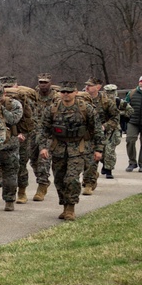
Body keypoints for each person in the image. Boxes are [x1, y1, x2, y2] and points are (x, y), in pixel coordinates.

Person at [36, 81, 104, 221]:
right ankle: (64, 204)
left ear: (76, 92)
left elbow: (97, 129)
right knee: (59, 180)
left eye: (69, 92)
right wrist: (43, 147)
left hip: (78, 149)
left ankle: (70, 207)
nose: (66, 94)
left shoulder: (86, 108)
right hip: (59, 148)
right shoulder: (52, 109)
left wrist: (98, 149)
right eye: (63, 92)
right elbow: (43, 129)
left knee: (71, 179)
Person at [0, 83, 23, 211]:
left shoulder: (14, 104)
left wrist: (0, 109)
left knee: (10, 173)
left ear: (4, 94)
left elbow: (13, 119)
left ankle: (9, 200)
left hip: (10, 143)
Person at [80, 77, 119, 195]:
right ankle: (90, 176)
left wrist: (105, 126)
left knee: (92, 159)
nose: (87, 87)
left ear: (98, 87)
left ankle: (89, 184)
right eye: (86, 85)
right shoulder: (81, 99)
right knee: (82, 159)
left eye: (90, 85)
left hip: (99, 135)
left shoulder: (106, 101)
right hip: (83, 133)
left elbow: (115, 118)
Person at [27, 74, 55, 202]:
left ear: (50, 83)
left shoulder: (56, 97)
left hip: (48, 132)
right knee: (33, 160)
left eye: (45, 82)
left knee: (44, 159)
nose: (43, 84)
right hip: (33, 131)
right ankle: (42, 179)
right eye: (40, 82)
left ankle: (42, 185)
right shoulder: (32, 96)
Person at [102, 83, 126, 177]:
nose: (110, 93)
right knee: (102, 150)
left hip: (114, 129)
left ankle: (109, 170)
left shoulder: (119, 102)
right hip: (103, 128)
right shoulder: (101, 102)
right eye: (108, 91)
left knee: (109, 149)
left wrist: (119, 113)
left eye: (111, 91)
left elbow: (130, 111)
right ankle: (105, 165)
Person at [123, 75, 142, 172]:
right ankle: (132, 162)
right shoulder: (132, 93)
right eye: (141, 81)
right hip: (133, 121)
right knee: (130, 140)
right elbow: (125, 105)